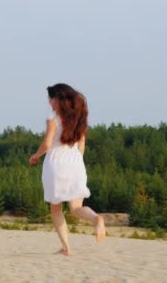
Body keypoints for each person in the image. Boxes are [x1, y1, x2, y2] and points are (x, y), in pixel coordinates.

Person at [29, 83, 106, 256]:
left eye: (50, 99)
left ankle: (66, 247)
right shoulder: (78, 116)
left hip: (56, 163)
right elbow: (82, 143)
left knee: (56, 208)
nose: (49, 102)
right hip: (76, 162)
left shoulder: (53, 117)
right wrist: (77, 160)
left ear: (57, 100)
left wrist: (36, 155)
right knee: (76, 207)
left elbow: (47, 144)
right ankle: (96, 219)